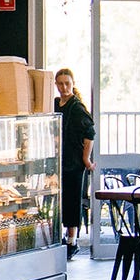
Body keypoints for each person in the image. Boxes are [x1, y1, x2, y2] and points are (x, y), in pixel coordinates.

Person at [52, 68, 95, 256]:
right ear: (55, 84)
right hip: (58, 160)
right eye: (60, 84)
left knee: (72, 199)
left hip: (73, 161)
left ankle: (72, 240)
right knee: (59, 200)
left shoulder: (77, 107)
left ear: (73, 84)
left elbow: (90, 133)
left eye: (67, 83)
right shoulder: (55, 104)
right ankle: (59, 237)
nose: (64, 87)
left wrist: (86, 158)